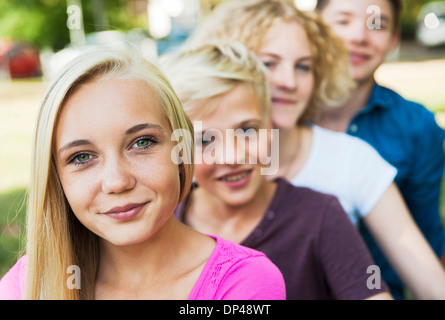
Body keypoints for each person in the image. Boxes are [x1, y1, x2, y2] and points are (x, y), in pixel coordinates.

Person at [179, 0, 445, 299]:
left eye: (303, 67)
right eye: (268, 64)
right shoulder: (192, 179)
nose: (289, 81)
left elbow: (427, 278)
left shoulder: (343, 171)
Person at [0, 48, 286, 300]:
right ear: (56, 178)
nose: (117, 181)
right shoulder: (28, 283)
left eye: (142, 142)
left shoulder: (244, 282)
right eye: (82, 157)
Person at [161, 41, 393, 300]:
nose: (233, 156)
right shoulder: (163, 225)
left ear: (270, 123)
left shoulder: (321, 215)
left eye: (247, 130)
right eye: (204, 140)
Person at [315, 0, 445, 299]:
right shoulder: (278, 117)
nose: (360, 36)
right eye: (343, 20)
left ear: (393, 39)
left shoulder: (417, 128)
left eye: (377, 23)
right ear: (315, 29)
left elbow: (428, 235)